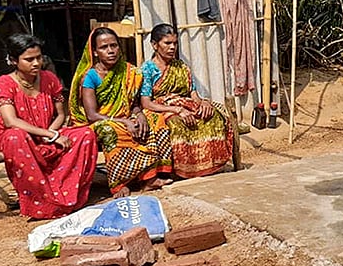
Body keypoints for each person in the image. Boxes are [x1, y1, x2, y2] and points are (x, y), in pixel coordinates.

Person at [0, 33, 98, 219]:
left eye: (39, 58)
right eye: (29, 59)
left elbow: (61, 115)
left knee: (85, 134)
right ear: (14, 60)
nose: (36, 63)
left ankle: (66, 193)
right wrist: (50, 135)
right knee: (15, 136)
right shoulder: (4, 83)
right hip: (22, 139)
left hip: (48, 133)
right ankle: (41, 202)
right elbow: (11, 121)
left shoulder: (49, 78)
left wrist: (50, 133)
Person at [68, 27, 170, 196]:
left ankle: (149, 178)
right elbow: (92, 115)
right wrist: (123, 121)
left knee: (155, 120)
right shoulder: (90, 77)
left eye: (114, 45)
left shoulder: (128, 71)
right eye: (104, 47)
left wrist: (139, 115)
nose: (110, 51)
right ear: (95, 52)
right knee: (111, 130)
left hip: (126, 116)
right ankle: (120, 183)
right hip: (100, 121)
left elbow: (133, 103)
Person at [139, 23, 234, 179]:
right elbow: (146, 103)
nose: (172, 47)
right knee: (176, 123)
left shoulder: (181, 66)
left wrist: (203, 103)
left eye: (175, 43)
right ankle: (181, 171)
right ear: (155, 45)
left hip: (183, 103)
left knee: (213, 116)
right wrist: (177, 110)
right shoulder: (147, 69)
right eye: (167, 43)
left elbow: (193, 94)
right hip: (160, 108)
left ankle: (210, 165)